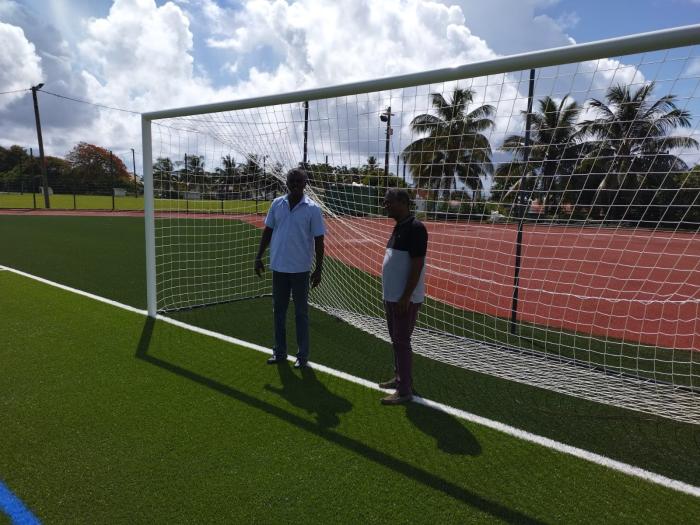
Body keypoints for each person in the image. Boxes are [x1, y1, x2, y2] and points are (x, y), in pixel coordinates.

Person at [254, 168, 325, 369]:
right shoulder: (277, 204)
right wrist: (258, 256)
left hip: (301, 270)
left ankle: (302, 356)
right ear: (286, 182)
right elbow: (268, 231)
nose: (295, 184)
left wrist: (318, 269)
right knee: (279, 312)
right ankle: (279, 352)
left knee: (301, 314)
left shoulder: (313, 209)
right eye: (291, 180)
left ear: (305, 184)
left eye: (299, 181)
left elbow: (320, 241)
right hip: (279, 268)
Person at [379, 188, 428, 405]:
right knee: (396, 340)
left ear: (402, 202)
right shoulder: (398, 227)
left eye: (388, 202)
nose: (385, 205)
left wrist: (405, 297)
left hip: (402, 299)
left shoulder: (416, 228)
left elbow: (417, 266)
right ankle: (399, 377)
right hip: (391, 296)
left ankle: (404, 390)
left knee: (402, 341)